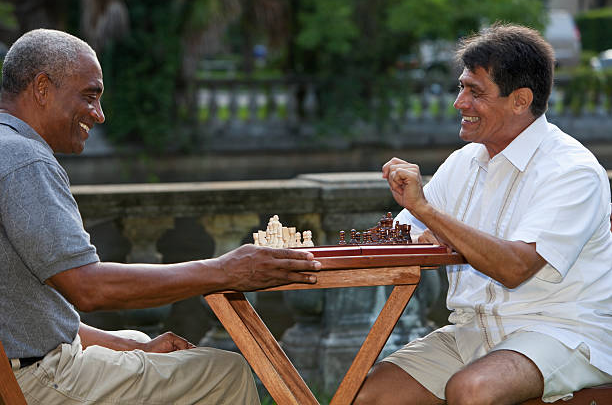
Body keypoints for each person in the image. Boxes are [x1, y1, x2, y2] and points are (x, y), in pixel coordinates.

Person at [0, 29, 321, 404]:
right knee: (225, 373)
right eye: (90, 96)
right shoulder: (25, 160)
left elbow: (28, 315)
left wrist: (125, 345)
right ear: (42, 87)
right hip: (38, 381)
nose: (99, 115)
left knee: (139, 342)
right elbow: (89, 288)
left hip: (30, 363)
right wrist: (224, 270)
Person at [354, 24, 612, 404]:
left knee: (472, 390)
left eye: (475, 92)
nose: (459, 102)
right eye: (461, 87)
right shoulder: (462, 162)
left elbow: (514, 268)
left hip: (561, 333)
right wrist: (416, 230)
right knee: (368, 394)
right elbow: (402, 233)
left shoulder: (572, 170)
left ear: (521, 100)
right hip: (469, 333)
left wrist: (426, 211)